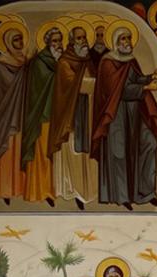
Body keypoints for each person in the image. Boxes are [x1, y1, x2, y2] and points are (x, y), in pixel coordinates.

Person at [90, 26, 157, 207]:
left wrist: (151, 77)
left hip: (134, 113)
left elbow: (134, 79)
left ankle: (146, 192)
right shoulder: (108, 62)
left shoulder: (130, 60)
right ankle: (122, 196)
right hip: (116, 115)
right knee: (120, 153)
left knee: (150, 143)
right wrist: (146, 88)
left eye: (129, 38)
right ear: (115, 42)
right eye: (123, 39)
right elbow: (117, 91)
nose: (127, 42)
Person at [47, 25, 95, 208]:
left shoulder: (87, 60)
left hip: (86, 115)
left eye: (84, 38)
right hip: (71, 119)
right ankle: (73, 190)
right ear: (72, 42)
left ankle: (86, 191)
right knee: (73, 155)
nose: (83, 42)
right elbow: (76, 85)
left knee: (85, 156)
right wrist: (99, 83)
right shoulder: (65, 62)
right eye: (79, 38)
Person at [0, 23, 30, 202]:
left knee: (17, 151)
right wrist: (24, 71)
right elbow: (6, 89)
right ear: (8, 42)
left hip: (20, 113)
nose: (20, 43)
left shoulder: (22, 60)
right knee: (6, 150)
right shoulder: (1, 64)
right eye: (16, 40)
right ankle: (3, 189)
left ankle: (18, 188)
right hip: (4, 118)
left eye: (21, 39)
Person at [21, 26, 64, 205]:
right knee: (42, 153)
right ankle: (39, 190)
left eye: (60, 41)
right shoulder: (40, 62)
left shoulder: (58, 60)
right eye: (54, 41)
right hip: (41, 115)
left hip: (55, 114)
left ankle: (51, 189)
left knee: (52, 154)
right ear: (47, 43)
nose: (58, 44)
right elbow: (42, 87)